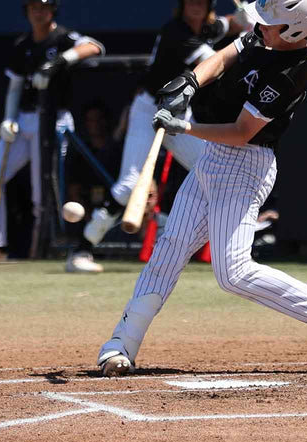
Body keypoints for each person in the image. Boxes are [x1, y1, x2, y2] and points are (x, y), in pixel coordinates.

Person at [96, 0, 307, 377]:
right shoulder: (264, 38)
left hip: (245, 165)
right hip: (214, 159)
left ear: (294, 31)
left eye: (271, 24)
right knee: (169, 250)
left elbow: (241, 132)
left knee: (232, 272)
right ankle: (122, 343)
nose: (260, 26)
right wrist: (190, 82)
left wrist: (184, 128)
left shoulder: (290, 72)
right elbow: (224, 57)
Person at [77, 0, 252, 269]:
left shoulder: (207, 27)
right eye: (190, 1)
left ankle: (233, 252)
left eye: (201, 1)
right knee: (129, 185)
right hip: (150, 110)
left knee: (214, 170)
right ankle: (83, 249)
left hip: (179, 116)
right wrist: (248, 37)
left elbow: (229, 23)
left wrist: (249, 20)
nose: (195, 5)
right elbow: (215, 63)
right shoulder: (176, 32)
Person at [0, 0, 104, 261]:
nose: (38, 12)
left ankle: (39, 253)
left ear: (53, 10)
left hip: (53, 119)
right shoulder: (22, 45)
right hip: (23, 120)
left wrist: (60, 61)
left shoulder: (62, 37)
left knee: (42, 193)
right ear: (26, 11)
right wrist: (8, 118)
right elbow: (15, 87)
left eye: (43, 7)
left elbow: (95, 46)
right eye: (33, 7)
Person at [64, 101, 123, 273]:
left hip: (118, 213)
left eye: (99, 119)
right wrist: (89, 215)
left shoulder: (117, 150)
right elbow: (74, 190)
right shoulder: (81, 153)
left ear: (106, 121)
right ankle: (81, 252)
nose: (95, 124)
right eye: (91, 120)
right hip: (90, 214)